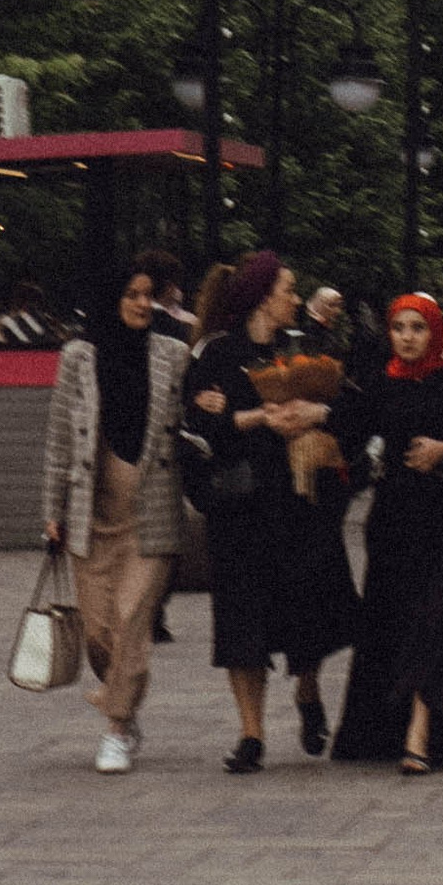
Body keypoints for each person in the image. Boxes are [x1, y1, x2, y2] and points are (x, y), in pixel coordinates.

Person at [176, 254, 354, 774]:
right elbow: (198, 427)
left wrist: (313, 418)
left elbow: (338, 404)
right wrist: (260, 417)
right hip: (241, 505)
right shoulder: (216, 354)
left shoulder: (300, 348)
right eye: (288, 289)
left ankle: (307, 689)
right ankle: (251, 733)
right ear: (261, 297)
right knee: (240, 621)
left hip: (299, 502)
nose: (296, 299)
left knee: (308, 609)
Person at [333, 295, 443, 774]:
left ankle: (421, 732)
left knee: (437, 622)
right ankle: (394, 730)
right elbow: (345, 437)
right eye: (399, 328)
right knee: (397, 624)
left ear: (435, 334)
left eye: (418, 328)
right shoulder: (378, 386)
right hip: (393, 525)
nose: (408, 337)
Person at [41, 263, 189, 771]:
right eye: (131, 294)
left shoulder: (173, 355)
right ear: (112, 299)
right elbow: (61, 438)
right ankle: (120, 696)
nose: (142, 304)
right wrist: (52, 511)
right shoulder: (79, 357)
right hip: (90, 518)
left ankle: (117, 727)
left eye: (149, 295)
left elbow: (191, 421)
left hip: (151, 517)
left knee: (131, 622)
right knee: (100, 634)